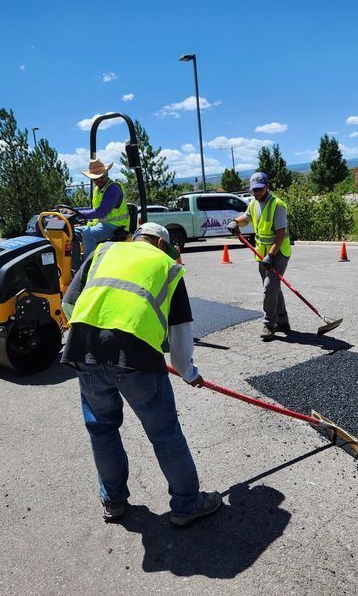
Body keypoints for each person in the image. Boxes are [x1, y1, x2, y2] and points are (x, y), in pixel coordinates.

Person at [61, 222, 222, 525]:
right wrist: (188, 371)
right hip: (135, 355)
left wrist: (92, 333)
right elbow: (180, 330)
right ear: (161, 245)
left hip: (84, 350)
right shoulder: (167, 265)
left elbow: (69, 302)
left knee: (102, 429)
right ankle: (187, 505)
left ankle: (114, 501)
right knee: (164, 433)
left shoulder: (103, 251)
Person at [227, 171, 291, 341]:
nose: (257, 193)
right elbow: (246, 218)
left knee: (270, 287)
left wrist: (271, 255)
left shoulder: (277, 205)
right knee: (273, 287)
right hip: (262, 253)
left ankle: (269, 324)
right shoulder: (253, 204)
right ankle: (283, 320)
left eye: (260, 189)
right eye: (254, 190)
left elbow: (280, 233)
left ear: (267, 187)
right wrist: (235, 221)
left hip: (278, 252)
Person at [75, 158, 130, 258]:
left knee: (88, 234)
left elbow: (102, 212)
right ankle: (75, 265)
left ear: (107, 174)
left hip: (117, 225)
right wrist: (72, 212)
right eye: (95, 178)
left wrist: (78, 213)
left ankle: (89, 267)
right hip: (100, 224)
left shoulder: (113, 188)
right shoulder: (97, 189)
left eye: (101, 177)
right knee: (71, 232)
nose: (99, 180)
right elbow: (95, 211)